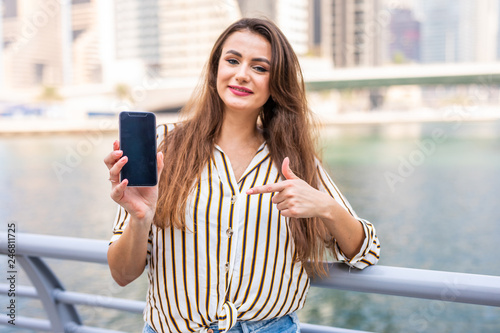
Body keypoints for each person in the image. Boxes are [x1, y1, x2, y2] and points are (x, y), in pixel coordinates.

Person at [104, 18, 380, 333]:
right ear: (215, 69)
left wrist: (326, 207)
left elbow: (366, 254)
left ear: (276, 84)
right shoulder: (163, 146)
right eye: (232, 60)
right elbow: (122, 274)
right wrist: (140, 217)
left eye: (260, 68)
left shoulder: (297, 161)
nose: (242, 74)